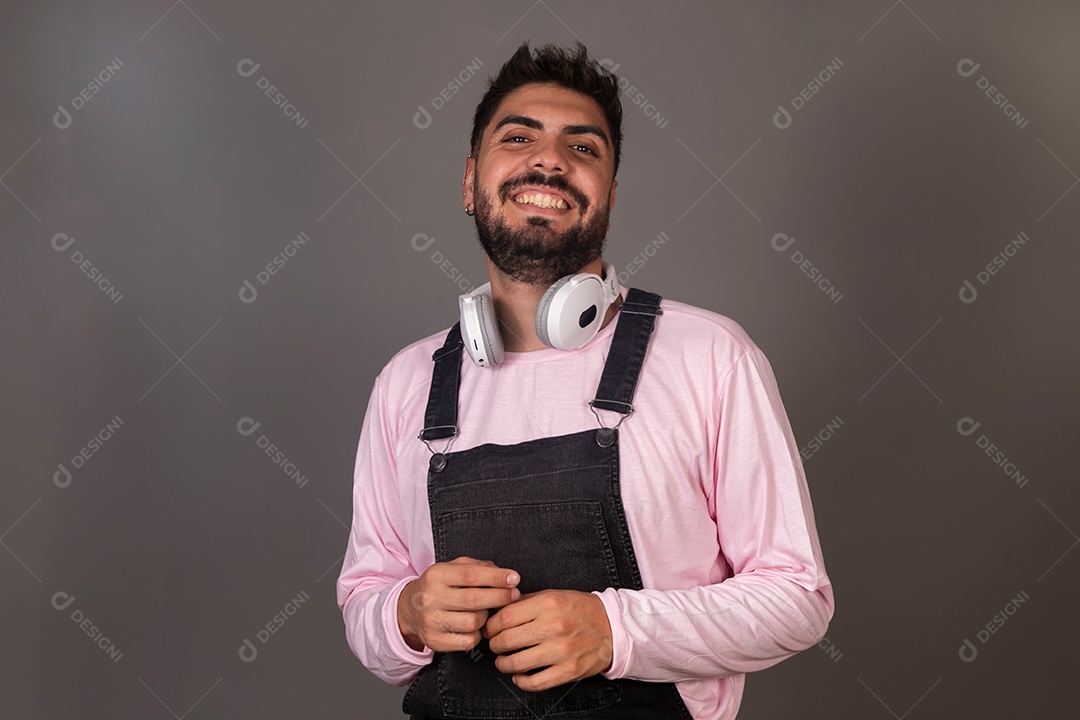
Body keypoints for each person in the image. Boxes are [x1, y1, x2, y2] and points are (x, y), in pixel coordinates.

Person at [337, 41, 834, 720]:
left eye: (584, 148)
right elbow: (365, 598)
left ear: (609, 196)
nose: (549, 160)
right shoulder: (406, 384)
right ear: (469, 181)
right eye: (518, 137)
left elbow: (796, 597)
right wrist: (406, 612)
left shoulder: (710, 356)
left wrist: (613, 633)